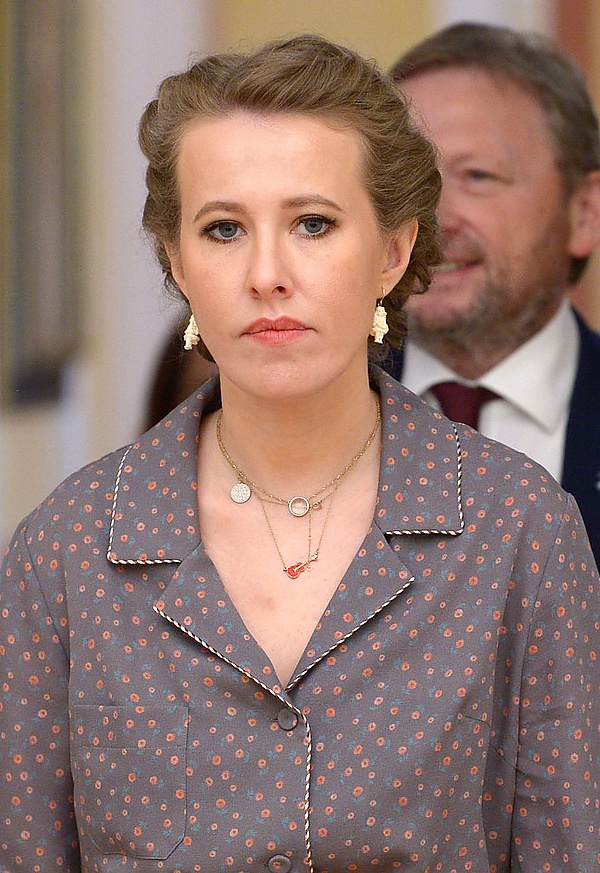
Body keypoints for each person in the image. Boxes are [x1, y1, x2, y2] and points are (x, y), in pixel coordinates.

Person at [1, 34, 598, 873]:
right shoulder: (66, 549)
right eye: (223, 229)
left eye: (313, 223)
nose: (267, 273)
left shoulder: (520, 527)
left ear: (392, 251)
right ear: (177, 260)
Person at [386, 21, 600, 563]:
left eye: (477, 176)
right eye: (410, 180)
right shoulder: (298, 418)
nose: (434, 219)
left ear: (583, 212)